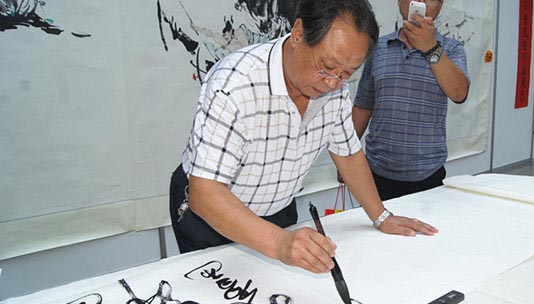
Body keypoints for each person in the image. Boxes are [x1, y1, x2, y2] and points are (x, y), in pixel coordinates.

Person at [169, 0, 438, 274]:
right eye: (326, 67)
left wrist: (381, 216)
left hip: (278, 208)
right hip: (213, 216)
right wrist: (278, 243)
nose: (332, 83)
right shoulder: (234, 85)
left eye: (347, 74)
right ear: (298, 34)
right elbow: (206, 193)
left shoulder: (335, 90)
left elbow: (348, 153)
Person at [352, 0, 469, 201]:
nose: (421, 2)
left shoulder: (451, 49)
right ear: (399, 2)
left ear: (440, 5)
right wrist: (348, 156)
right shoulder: (378, 47)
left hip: (428, 173)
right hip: (377, 171)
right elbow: (364, 104)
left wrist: (431, 48)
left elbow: (459, 93)